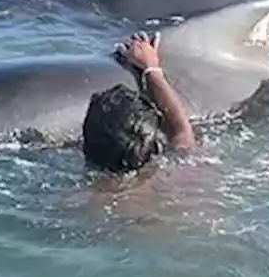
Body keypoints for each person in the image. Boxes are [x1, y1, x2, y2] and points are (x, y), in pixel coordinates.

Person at [81, 31, 197, 173]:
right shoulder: (178, 177)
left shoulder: (79, 195)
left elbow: (180, 131)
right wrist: (151, 69)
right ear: (154, 147)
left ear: (84, 148)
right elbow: (181, 131)